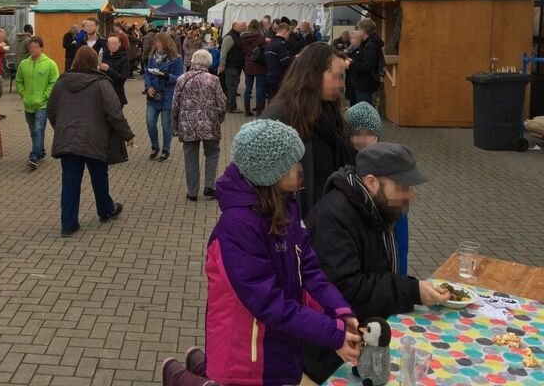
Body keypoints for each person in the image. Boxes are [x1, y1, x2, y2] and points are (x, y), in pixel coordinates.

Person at [162, 120, 361, 386]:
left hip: (276, 340)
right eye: (293, 163)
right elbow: (267, 302)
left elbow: (310, 271)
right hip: (246, 350)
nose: (300, 169)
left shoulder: (285, 207)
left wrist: (339, 310)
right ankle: (177, 375)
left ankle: (197, 363)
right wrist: (331, 334)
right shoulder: (238, 226)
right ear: (271, 173)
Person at [303, 143, 450, 383]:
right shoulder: (333, 217)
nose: (409, 195)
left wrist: (412, 289)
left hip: (364, 338)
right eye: (402, 187)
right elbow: (347, 288)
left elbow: (377, 271)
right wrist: (411, 290)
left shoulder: (375, 207)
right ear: (371, 182)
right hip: (331, 353)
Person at [47, 46, 134, 237]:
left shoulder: (61, 83)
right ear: (95, 61)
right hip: (95, 139)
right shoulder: (101, 83)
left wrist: (61, 129)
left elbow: (51, 110)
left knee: (70, 182)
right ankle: (106, 210)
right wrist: (127, 135)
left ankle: (68, 224)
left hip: (68, 139)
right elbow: (114, 112)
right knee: (99, 177)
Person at [261, 43, 356, 217]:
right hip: (296, 220)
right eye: (337, 76)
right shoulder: (280, 116)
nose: (341, 84)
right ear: (313, 75)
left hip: (327, 217)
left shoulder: (329, 112)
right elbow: (263, 178)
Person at [344, 102, 410, 276]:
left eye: (369, 134)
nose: (363, 139)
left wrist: (400, 278)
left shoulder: (390, 165)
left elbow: (401, 246)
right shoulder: (346, 169)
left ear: (377, 136)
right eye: (357, 134)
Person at [171, 50, 226, 201]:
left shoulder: (181, 79)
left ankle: (192, 192)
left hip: (187, 125)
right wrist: (218, 119)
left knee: (190, 157)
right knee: (212, 153)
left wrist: (175, 127)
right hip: (209, 123)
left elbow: (175, 105)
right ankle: (209, 187)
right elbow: (222, 103)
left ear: (193, 61)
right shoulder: (213, 79)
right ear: (208, 63)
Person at [15, 36, 60, 170]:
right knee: (33, 131)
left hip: (43, 105)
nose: (33, 50)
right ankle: (41, 150)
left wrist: (45, 96)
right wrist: (23, 94)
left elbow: (54, 82)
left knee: (38, 129)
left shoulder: (50, 64)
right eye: (30, 47)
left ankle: (34, 156)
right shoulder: (24, 64)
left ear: (41, 47)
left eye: (35, 47)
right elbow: (19, 81)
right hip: (28, 104)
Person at [144, 33, 184, 162]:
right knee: (150, 122)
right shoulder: (152, 58)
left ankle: (166, 150)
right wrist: (148, 86)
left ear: (166, 43)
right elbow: (147, 74)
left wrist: (167, 76)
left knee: (166, 125)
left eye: (159, 42)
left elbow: (180, 77)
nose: (156, 45)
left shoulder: (176, 59)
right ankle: (155, 146)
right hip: (154, 95)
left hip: (167, 95)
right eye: (156, 42)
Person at [349, 18, 385, 106]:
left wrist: (351, 64)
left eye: (358, 29)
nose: (357, 31)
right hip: (362, 83)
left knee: (364, 112)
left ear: (363, 30)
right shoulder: (366, 44)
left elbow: (367, 66)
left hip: (364, 84)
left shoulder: (371, 45)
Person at [239, 19, 268, 117]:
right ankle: (259, 111)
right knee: (260, 89)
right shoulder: (261, 37)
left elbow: (242, 50)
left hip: (248, 64)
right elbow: (264, 49)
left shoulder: (242, 37)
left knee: (248, 88)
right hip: (259, 64)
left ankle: (247, 111)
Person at [217, 20, 246, 114]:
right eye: (242, 26)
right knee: (231, 87)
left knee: (232, 87)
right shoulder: (230, 37)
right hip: (231, 67)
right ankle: (231, 107)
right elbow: (223, 52)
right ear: (235, 26)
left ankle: (229, 105)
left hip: (235, 67)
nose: (244, 28)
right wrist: (222, 65)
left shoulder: (236, 36)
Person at [265, 21, 292, 101]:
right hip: (279, 77)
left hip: (269, 74)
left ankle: (268, 113)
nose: (288, 36)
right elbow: (285, 62)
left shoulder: (270, 44)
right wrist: (294, 58)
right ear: (285, 32)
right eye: (288, 33)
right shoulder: (281, 44)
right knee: (279, 99)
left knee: (271, 98)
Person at [100, 34, 129, 106]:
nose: (112, 45)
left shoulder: (124, 58)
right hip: (103, 94)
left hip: (117, 95)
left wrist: (108, 69)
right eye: (110, 43)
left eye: (115, 43)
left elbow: (122, 78)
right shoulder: (103, 56)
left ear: (119, 44)